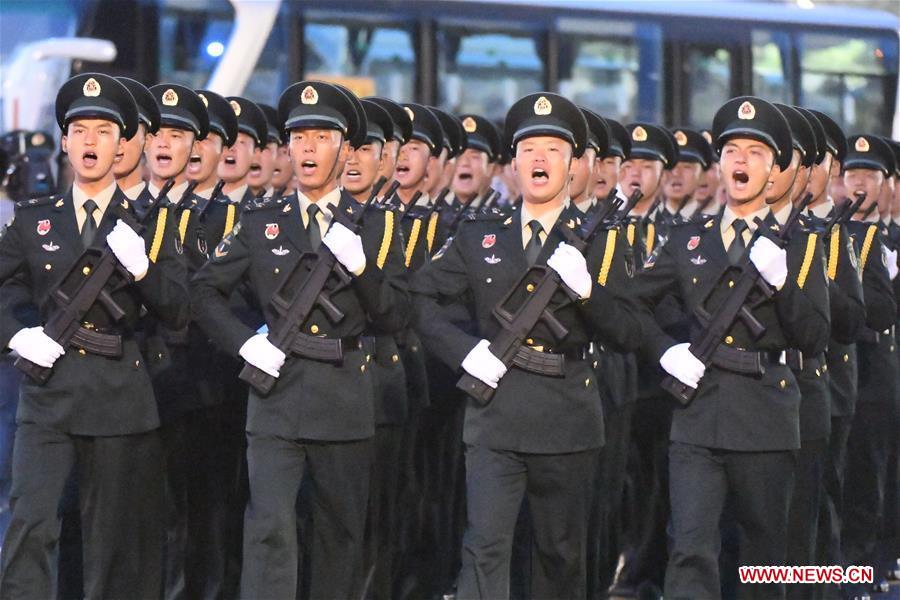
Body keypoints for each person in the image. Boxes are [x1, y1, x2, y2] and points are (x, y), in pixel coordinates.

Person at [412, 91, 643, 598]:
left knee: (559, 554)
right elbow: (423, 298)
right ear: (513, 164)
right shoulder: (480, 234)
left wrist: (588, 292)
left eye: (554, 149)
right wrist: (465, 351)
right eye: (530, 149)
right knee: (484, 548)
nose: (540, 159)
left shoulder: (601, 239)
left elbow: (629, 331)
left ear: (575, 164)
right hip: (494, 413)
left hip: (567, 414)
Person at [190, 80, 409, 599]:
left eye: (321, 137)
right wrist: (245, 343)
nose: (308, 148)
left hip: (344, 395)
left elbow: (397, 315)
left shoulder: (376, 224)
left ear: (346, 149)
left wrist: (362, 269)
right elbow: (203, 292)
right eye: (298, 137)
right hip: (276, 396)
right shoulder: (260, 220)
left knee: (339, 534)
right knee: (269, 530)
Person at [0, 72, 190, 599]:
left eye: (103, 131)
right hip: (48, 396)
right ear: (64, 142)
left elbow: (180, 310)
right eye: (79, 130)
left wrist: (145, 270)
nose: (90, 141)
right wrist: (17, 335)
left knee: (112, 544)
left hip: (118, 398)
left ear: (122, 145)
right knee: (30, 525)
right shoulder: (34, 220)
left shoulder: (150, 223)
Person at [633, 96, 830, 599]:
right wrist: (664, 349)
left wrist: (783, 282)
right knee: (689, 548)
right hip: (697, 413)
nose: (741, 161)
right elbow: (629, 303)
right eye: (732, 151)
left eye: (756, 152)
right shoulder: (689, 238)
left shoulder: (801, 242)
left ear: (775, 170)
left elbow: (815, 336)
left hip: (766, 412)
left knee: (764, 557)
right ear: (719, 164)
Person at [840, 133, 899, 596]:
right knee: (848, 472)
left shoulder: (890, 238)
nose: (859, 184)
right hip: (845, 365)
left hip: (883, 368)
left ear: (888, 183)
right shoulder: (832, 234)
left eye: (869, 175)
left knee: (879, 472)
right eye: (852, 174)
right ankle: (850, 567)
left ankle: (875, 562)